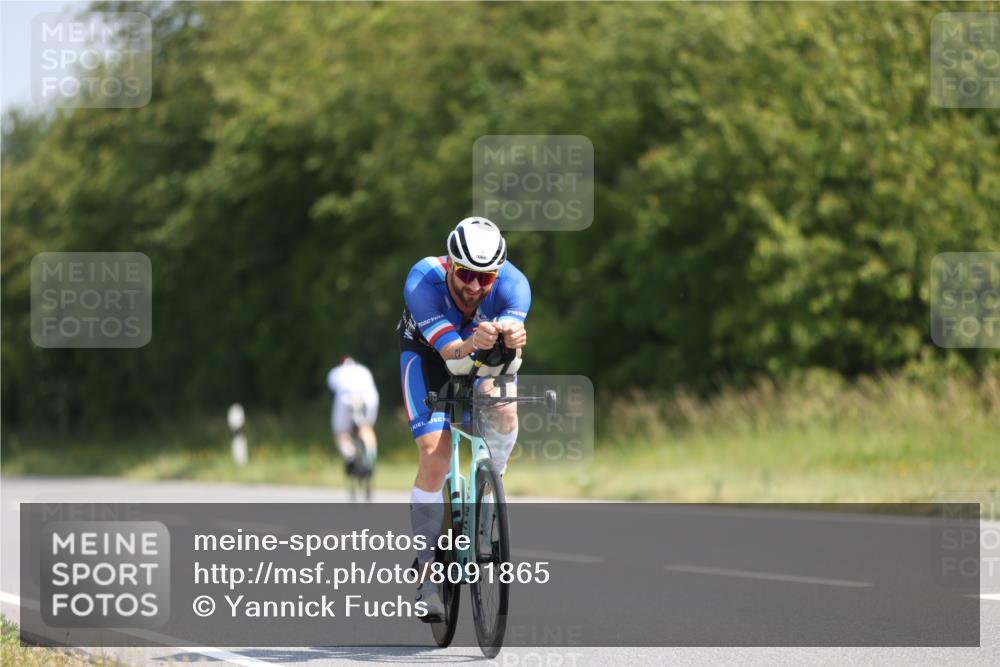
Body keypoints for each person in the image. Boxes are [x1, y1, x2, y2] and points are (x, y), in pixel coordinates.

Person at [398, 216, 530, 620]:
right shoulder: (423, 281)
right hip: (430, 357)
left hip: (483, 357)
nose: (474, 286)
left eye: (485, 278)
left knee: (505, 412)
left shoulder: (514, 286)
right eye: (466, 274)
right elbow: (454, 357)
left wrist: (512, 338)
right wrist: (474, 340)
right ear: (451, 264)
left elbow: (500, 361)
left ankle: (492, 485)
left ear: (498, 275)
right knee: (434, 455)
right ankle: (427, 569)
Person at [326, 356, 379, 477]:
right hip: (369, 396)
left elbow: (331, 396)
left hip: (345, 398)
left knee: (341, 432)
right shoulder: (363, 369)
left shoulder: (334, 372)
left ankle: (349, 457)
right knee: (366, 428)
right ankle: (370, 459)